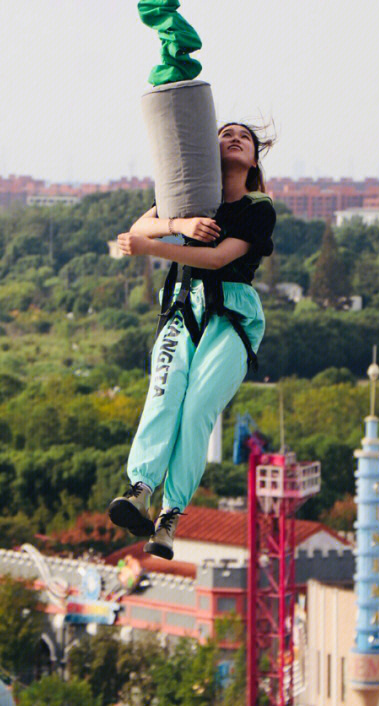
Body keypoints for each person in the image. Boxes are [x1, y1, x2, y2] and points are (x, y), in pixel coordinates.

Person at [107, 122, 275, 559]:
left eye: (245, 138)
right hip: (182, 306)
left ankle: (170, 515)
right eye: (224, 133)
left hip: (231, 316)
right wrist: (181, 222)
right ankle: (140, 489)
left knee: (198, 407)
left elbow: (218, 257)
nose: (235, 137)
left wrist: (154, 248)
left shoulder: (258, 208)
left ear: (253, 160)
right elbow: (140, 226)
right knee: (164, 395)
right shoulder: (187, 194)